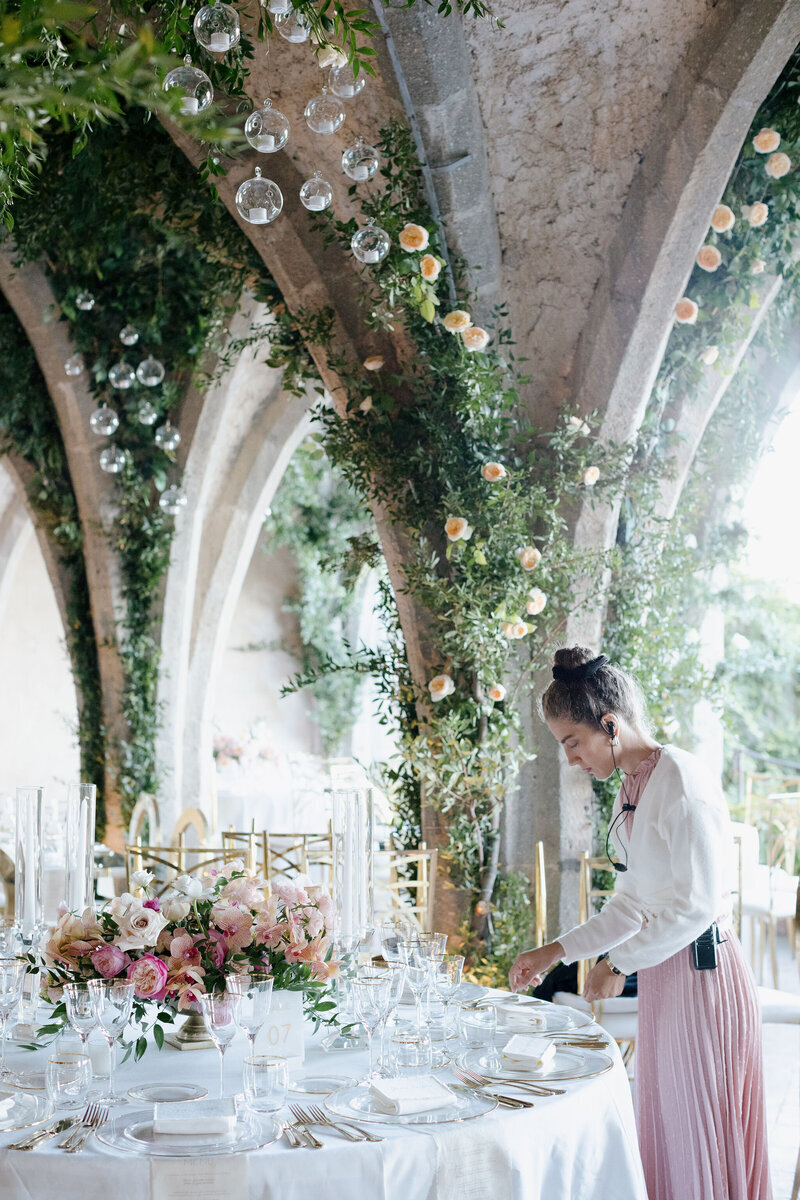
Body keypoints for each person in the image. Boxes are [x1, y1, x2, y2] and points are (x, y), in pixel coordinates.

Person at [509, 647, 771, 1200]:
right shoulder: (633, 788)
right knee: (669, 1132)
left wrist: (617, 963)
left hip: (705, 978)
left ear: (610, 724)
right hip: (668, 977)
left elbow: (698, 905)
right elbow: (629, 906)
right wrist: (554, 951)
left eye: (572, 742)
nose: (572, 759)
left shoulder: (681, 780)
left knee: (698, 1136)